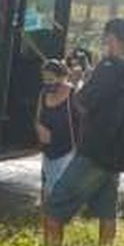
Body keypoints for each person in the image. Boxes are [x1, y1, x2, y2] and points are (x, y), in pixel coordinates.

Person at [44, 18, 124, 246]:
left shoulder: (108, 66)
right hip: (120, 154)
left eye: (104, 37)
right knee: (107, 211)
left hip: (96, 152)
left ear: (111, 37)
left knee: (54, 208)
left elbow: (81, 102)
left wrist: (78, 82)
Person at [35, 60, 79, 203]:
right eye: (44, 79)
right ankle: (48, 215)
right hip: (48, 148)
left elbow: (83, 119)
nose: (47, 82)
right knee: (48, 184)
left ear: (61, 77)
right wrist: (39, 129)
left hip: (67, 148)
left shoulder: (73, 93)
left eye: (50, 79)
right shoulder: (43, 93)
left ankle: (57, 216)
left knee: (59, 186)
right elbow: (37, 117)